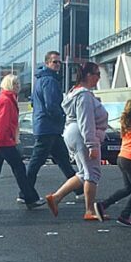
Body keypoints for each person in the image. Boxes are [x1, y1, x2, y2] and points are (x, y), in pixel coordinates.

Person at [45, 61, 109, 221]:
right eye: (97, 74)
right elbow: (86, 121)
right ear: (88, 75)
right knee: (92, 173)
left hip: (72, 132)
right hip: (82, 134)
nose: (99, 78)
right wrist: (92, 144)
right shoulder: (84, 95)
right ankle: (89, 210)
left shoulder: (75, 92)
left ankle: (56, 197)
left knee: (83, 172)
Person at [0, 74, 45, 212]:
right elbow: (1, 123)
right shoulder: (7, 101)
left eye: (18, 84)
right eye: (15, 84)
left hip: (0, 140)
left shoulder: (6, 99)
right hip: (3, 141)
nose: (18, 86)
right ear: (8, 85)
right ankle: (30, 198)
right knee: (18, 168)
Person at [22, 50, 76, 203]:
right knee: (36, 162)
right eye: (54, 62)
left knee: (63, 160)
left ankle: (78, 189)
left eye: (59, 62)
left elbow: (33, 102)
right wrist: (62, 117)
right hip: (48, 127)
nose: (58, 65)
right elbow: (51, 105)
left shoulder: (40, 80)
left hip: (46, 126)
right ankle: (24, 192)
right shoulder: (50, 80)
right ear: (47, 63)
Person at [96, 99, 131, 227]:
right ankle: (125, 215)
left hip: (122, 157)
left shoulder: (126, 122)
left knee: (128, 189)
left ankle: (103, 205)